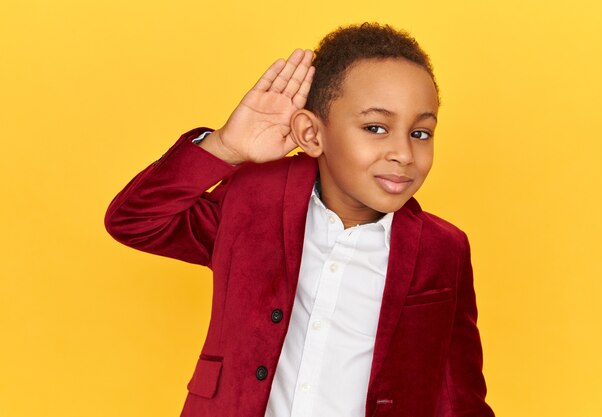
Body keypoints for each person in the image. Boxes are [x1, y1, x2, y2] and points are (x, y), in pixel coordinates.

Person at [105, 22, 494, 417]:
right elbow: (135, 220)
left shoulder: (443, 248)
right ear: (311, 133)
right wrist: (226, 147)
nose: (403, 153)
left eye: (421, 133)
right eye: (375, 127)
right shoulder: (254, 202)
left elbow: (459, 393)